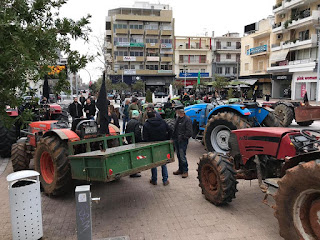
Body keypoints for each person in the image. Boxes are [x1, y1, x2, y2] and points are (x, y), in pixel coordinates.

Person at [143, 111, 172, 186]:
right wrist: (167, 139)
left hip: (152, 145)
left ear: (147, 117)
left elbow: (145, 137)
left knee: (153, 163)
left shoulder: (146, 125)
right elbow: (170, 130)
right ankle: (165, 180)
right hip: (162, 143)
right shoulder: (162, 122)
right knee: (163, 162)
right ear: (155, 115)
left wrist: (148, 143)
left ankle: (154, 180)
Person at [172, 105, 192, 178]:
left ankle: (185, 171)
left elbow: (189, 132)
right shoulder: (178, 118)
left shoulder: (187, 120)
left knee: (182, 156)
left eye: (177, 111)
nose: (176, 112)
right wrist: (173, 138)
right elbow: (175, 129)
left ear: (180, 111)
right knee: (178, 155)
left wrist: (184, 137)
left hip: (182, 141)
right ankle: (180, 169)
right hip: (177, 140)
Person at [125, 110, 142, 178]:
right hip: (135, 141)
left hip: (130, 141)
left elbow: (126, 131)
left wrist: (128, 139)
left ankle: (134, 170)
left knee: (131, 156)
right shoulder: (137, 123)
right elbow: (137, 133)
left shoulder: (129, 122)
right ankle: (134, 172)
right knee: (136, 156)